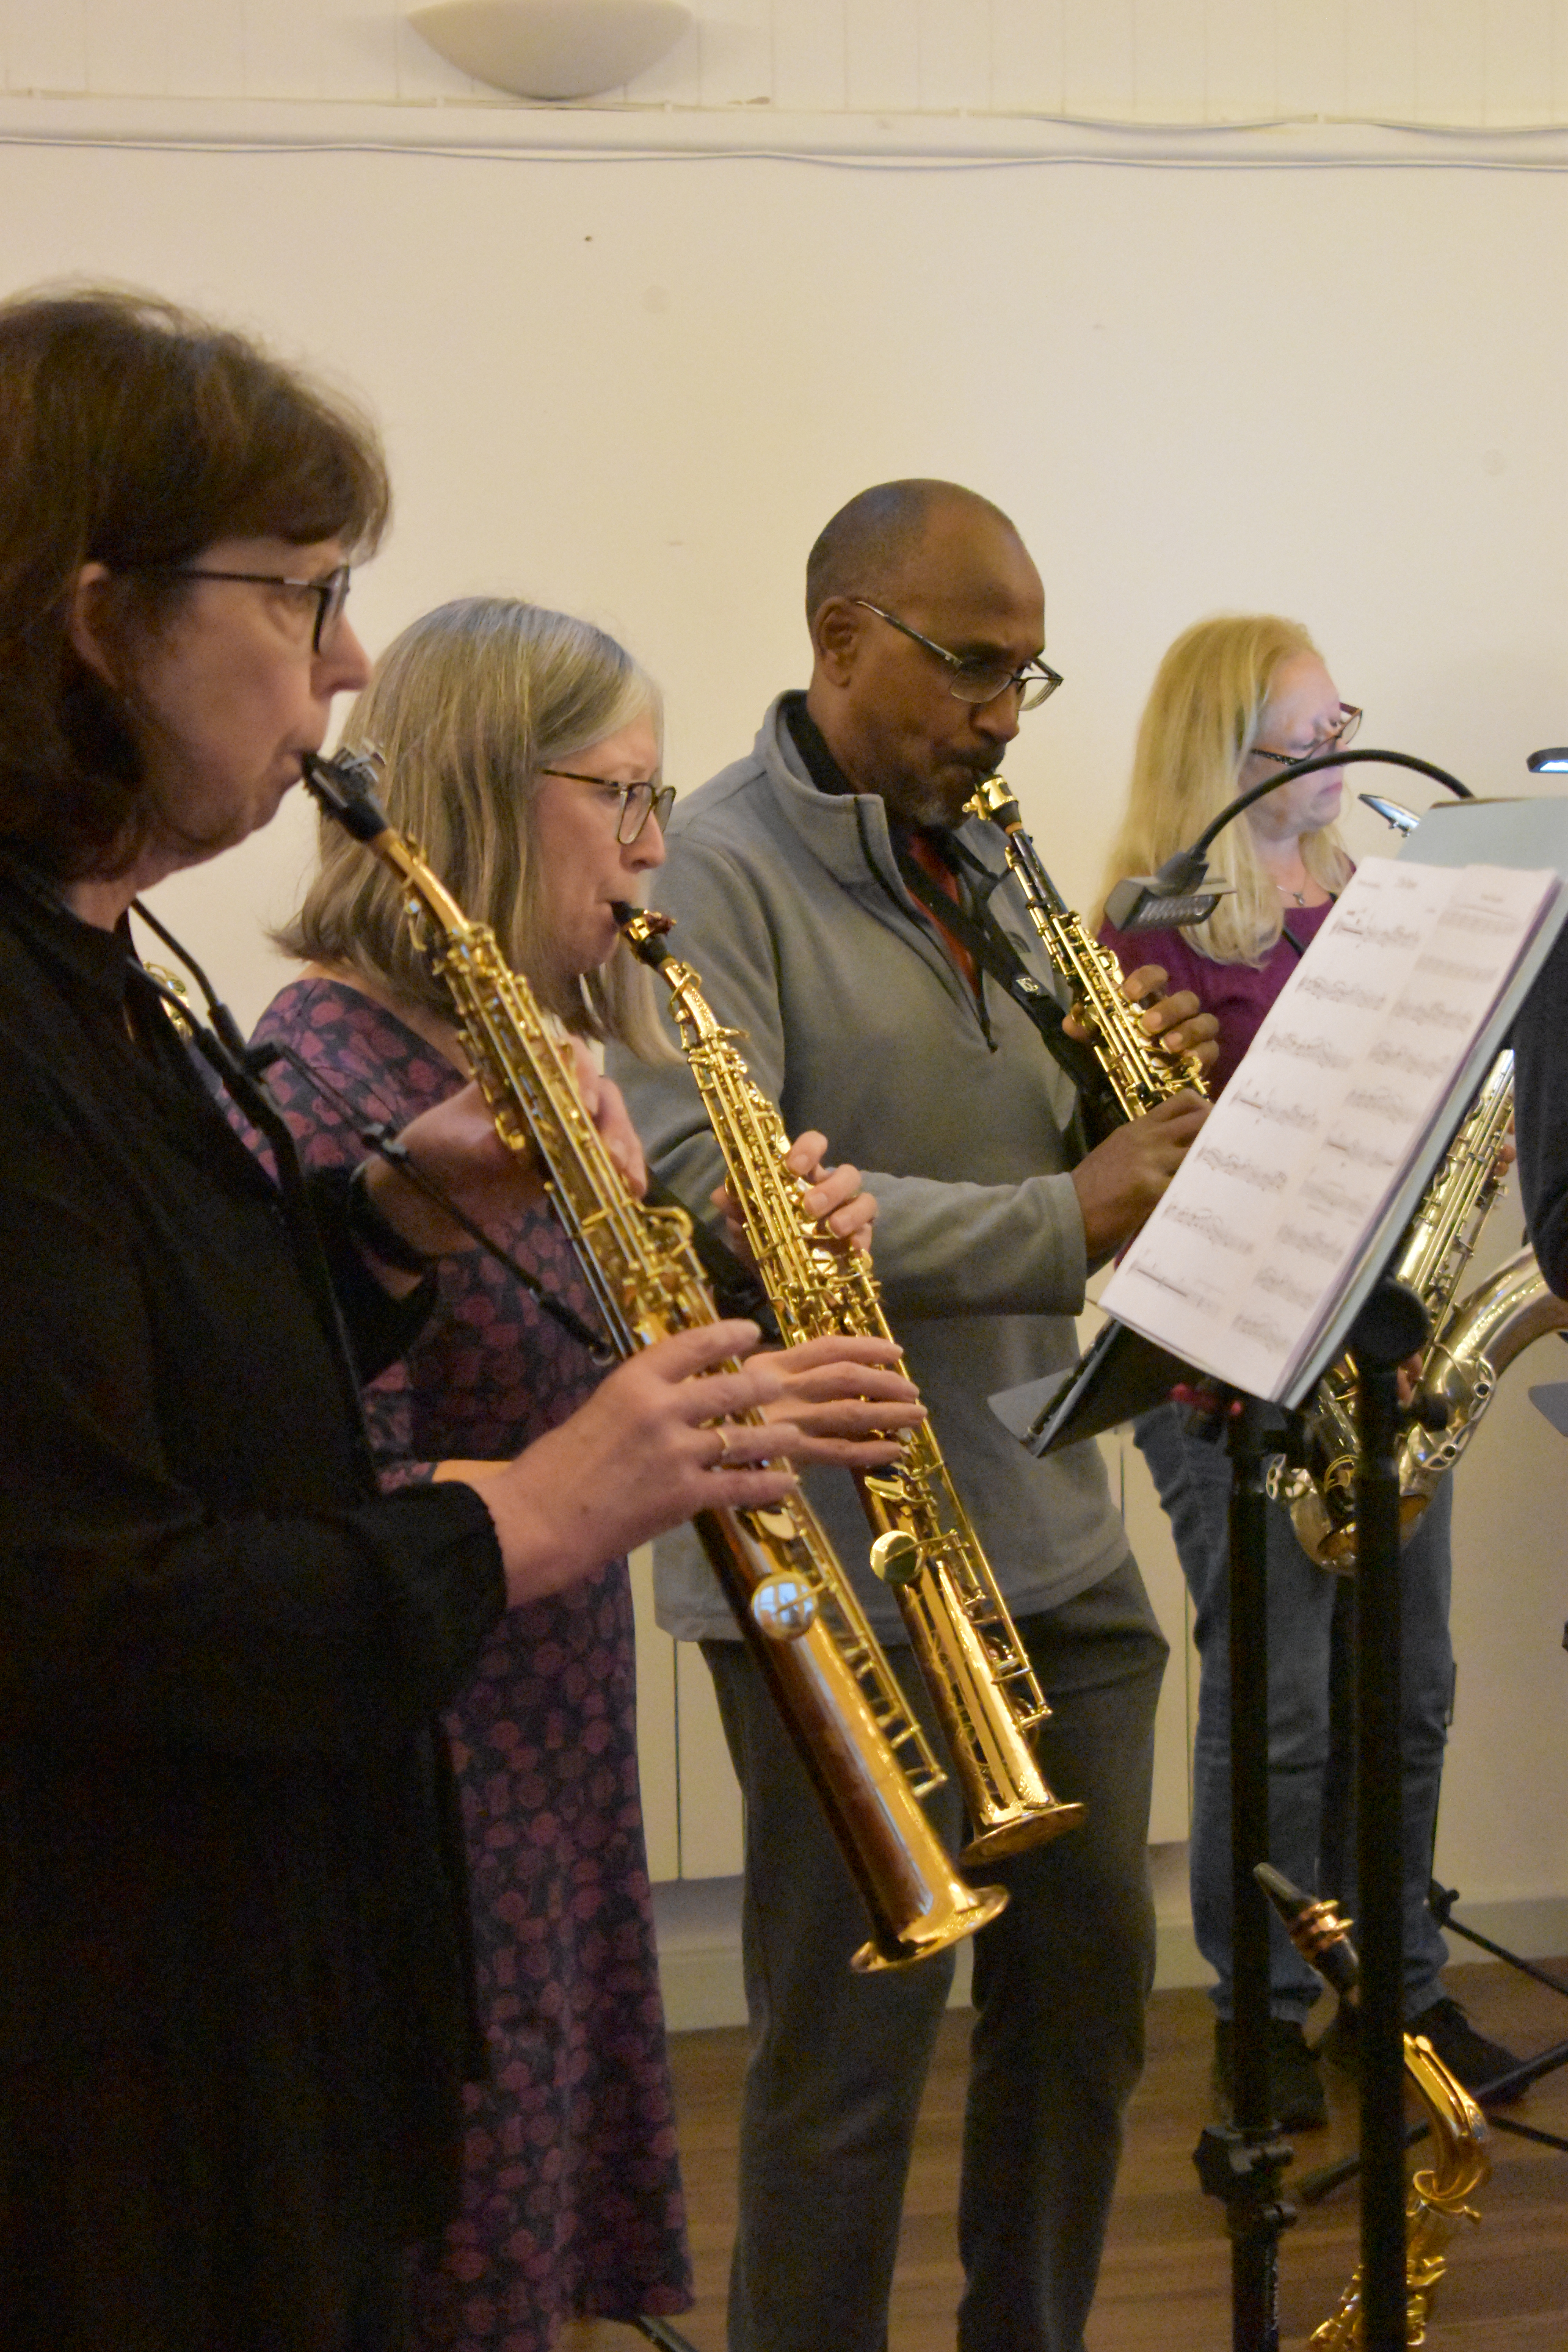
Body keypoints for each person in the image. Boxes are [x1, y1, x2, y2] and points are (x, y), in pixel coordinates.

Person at [0, 288, 896, 2352]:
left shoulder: (102, 971)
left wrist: (394, 1216)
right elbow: (90, 1593)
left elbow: (204, 1378)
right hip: (123, 2031)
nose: (347, 663)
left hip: (264, 1946)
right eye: (306, 594)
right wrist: (536, 1513)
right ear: (90, 615)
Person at [247, 595, 922, 2352]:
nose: (652, 845)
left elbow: (581, 1389)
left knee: (529, 2256)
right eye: (617, 795)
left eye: (660, 794)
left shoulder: (539, 1061)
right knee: (449, 2265)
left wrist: (752, 1312)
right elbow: (324, 1491)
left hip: (543, 1752)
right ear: (480, 789)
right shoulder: (322, 1078)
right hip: (430, 1790)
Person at [613, 478, 1218, 2352]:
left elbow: (1015, 1154)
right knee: (848, 2058)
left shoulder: (989, 848)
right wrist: (1075, 1208)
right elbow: (719, 1205)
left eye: (1027, 679)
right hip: (841, 1556)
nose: (999, 718)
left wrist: (1124, 1115)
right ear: (839, 637)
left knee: (1090, 2006)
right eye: (968, 669)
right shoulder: (705, 869)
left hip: (1048, 1515)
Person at [1097, 611, 1520, 2129]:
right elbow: (1142, 1177)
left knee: (1407, 1700)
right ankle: (1261, 2017)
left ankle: (1395, 1993)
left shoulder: (1378, 918)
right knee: (1275, 1717)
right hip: (1230, 1387)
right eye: (1310, 734)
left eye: (1347, 726)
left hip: (1390, 1367)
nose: (1341, 757)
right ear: (1227, 743)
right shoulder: (1144, 939)